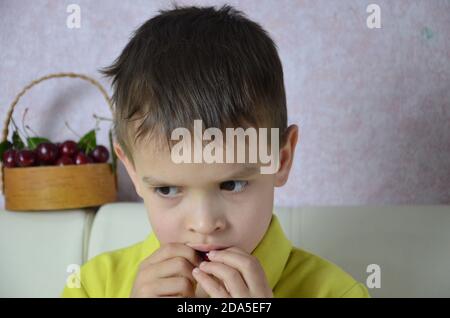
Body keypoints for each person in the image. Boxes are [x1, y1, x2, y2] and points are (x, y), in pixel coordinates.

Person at [61, 4, 369, 298]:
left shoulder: (339, 292)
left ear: (281, 159)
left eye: (232, 184)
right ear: (133, 172)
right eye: (167, 189)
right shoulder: (91, 285)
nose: (205, 224)